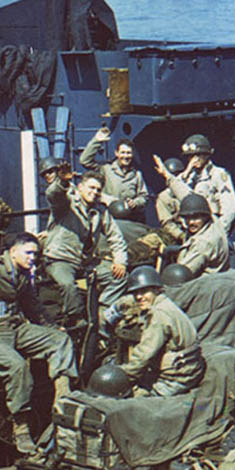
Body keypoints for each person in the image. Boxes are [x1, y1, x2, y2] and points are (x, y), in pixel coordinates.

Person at [0, 232, 76, 458]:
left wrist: (51, 328)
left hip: (14, 328)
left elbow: (32, 306)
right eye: (28, 252)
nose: (33, 258)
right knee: (18, 367)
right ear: (13, 252)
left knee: (60, 341)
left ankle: (62, 399)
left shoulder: (22, 274)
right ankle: (20, 427)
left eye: (36, 254)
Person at [42, 170, 127, 324]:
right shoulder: (67, 203)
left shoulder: (100, 211)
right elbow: (54, 196)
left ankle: (102, 310)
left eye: (98, 190)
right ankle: (76, 321)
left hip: (85, 261)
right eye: (91, 187)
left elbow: (116, 237)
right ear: (80, 187)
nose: (94, 192)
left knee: (120, 277)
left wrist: (120, 261)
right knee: (68, 285)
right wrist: (62, 182)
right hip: (60, 259)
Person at [117, 265, 205, 396]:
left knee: (129, 398)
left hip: (176, 379)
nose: (139, 297)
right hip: (190, 370)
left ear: (156, 290)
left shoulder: (158, 314)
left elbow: (144, 354)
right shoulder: (166, 304)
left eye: (144, 291)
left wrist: (121, 375)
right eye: (136, 293)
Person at [153, 132, 235, 231]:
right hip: (189, 225)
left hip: (210, 226)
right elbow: (172, 192)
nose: (194, 159)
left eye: (198, 155)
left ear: (206, 155)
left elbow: (229, 208)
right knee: (163, 197)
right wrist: (186, 172)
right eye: (190, 156)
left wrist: (219, 231)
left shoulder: (218, 174)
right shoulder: (189, 175)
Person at [79, 128, 148, 222]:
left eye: (128, 153)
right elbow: (85, 161)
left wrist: (135, 202)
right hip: (108, 219)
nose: (126, 156)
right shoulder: (106, 169)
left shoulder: (137, 175)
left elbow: (144, 196)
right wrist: (97, 141)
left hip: (130, 220)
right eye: (123, 152)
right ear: (117, 153)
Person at [176, 193, 230, 276]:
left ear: (205, 216)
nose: (190, 222)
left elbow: (183, 274)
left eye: (195, 218)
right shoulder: (214, 221)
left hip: (203, 285)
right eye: (187, 218)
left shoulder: (203, 243)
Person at [38, 155, 75, 228]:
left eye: (50, 171)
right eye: (43, 174)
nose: (47, 175)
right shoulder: (51, 190)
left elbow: (57, 194)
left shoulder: (70, 188)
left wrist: (63, 182)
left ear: (57, 171)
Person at [155, 157, 186, 241]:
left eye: (178, 174)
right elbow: (167, 223)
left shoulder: (189, 188)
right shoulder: (163, 198)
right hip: (179, 235)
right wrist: (181, 235)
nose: (176, 177)